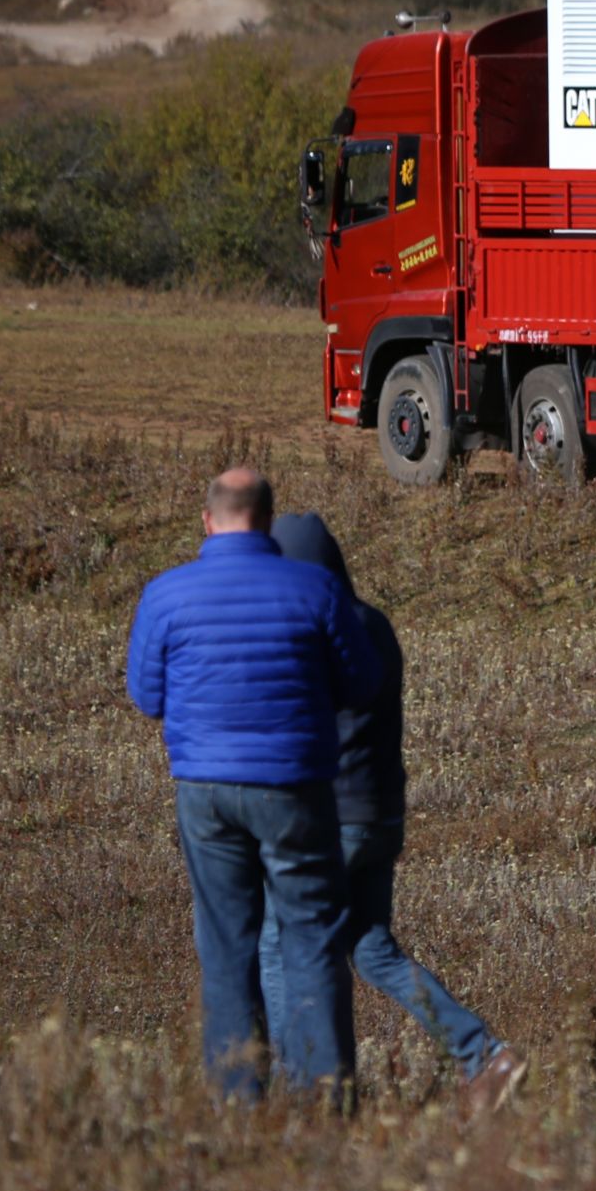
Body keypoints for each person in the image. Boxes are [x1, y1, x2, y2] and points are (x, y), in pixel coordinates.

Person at [258, 515, 528, 1115]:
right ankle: (484, 1056)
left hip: (332, 819)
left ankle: (299, 1092)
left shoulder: (309, 633)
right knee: (372, 949)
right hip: (383, 815)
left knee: (277, 943)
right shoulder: (374, 625)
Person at [124, 469, 379, 1101]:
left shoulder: (164, 595)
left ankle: (239, 1101)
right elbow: (361, 686)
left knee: (226, 943)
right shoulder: (315, 590)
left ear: (206, 521)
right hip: (294, 786)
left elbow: (145, 695)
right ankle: (323, 1098)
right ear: (269, 521)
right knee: (311, 935)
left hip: (204, 790)